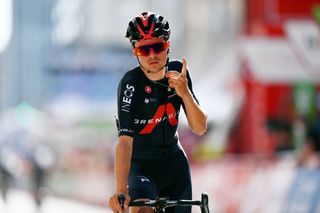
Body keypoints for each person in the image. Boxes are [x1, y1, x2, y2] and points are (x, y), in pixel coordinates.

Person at [108, 11, 207, 213]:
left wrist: (185, 93)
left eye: (158, 47)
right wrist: (120, 191)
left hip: (174, 163)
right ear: (135, 52)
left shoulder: (179, 72)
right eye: (144, 50)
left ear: (168, 46)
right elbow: (125, 142)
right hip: (141, 166)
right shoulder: (130, 84)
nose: (152, 55)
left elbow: (199, 128)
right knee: (142, 210)